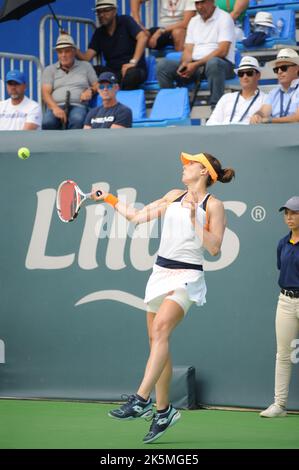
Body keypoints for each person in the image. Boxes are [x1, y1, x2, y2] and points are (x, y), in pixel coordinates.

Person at [91, 152, 235, 443]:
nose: (184, 166)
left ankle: (141, 398)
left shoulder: (215, 206)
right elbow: (137, 217)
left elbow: (215, 249)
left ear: (205, 172)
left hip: (187, 276)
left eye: (191, 163)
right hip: (159, 273)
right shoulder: (172, 195)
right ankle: (163, 410)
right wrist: (108, 198)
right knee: (157, 342)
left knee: (161, 330)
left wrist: (196, 217)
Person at [156, 0, 236, 109]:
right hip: (196, 65)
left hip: (221, 65)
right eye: (197, 3)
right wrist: (185, 65)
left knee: (214, 63)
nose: (199, 6)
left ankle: (216, 108)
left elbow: (222, 51)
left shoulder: (225, 18)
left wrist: (196, 64)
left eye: (202, 2)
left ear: (212, 1)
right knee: (163, 65)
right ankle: (171, 108)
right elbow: (188, 50)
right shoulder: (193, 21)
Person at [260, 196, 299, 418]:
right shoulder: (282, 243)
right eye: (286, 213)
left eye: (294, 213)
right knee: (283, 354)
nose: (289, 217)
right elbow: (281, 268)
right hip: (285, 301)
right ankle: (279, 405)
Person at [76, 0, 148, 90]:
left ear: (114, 11)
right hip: (113, 73)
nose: (101, 15)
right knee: (88, 69)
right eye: (99, 12)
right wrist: (73, 48)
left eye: (106, 10)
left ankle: (116, 94)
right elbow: (86, 58)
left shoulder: (125, 21)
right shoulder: (99, 32)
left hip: (134, 69)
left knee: (131, 75)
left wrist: (132, 62)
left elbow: (143, 37)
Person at [42, 33, 98, 130]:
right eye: (60, 52)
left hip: (78, 105)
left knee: (77, 119)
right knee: (48, 122)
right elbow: (45, 93)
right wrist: (55, 108)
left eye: (67, 51)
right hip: (56, 105)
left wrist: (90, 91)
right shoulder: (50, 69)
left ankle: (73, 145)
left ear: (74, 51)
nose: (63, 55)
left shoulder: (85, 66)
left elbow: (97, 85)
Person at [206, 56, 267, 125]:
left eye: (249, 73)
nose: (245, 76)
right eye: (241, 73)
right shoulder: (226, 98)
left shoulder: (265, 99)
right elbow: (210, 123)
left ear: (258, 75)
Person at [250, 48, 299, 124]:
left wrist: (270, 120)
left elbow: (297, 118)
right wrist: (257, 116)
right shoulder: (274, 92)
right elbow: (263, 112)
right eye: (276, 69)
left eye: (283, 68)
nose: (279, 72)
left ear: (297, 69)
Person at [130, 0, 196, 51]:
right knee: (140, 35)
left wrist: (160, 31)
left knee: (178, 32)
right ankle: (136, 64)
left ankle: (180, 65)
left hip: (180, 30)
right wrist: (138, 22)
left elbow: (185, 23)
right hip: (162, 30)